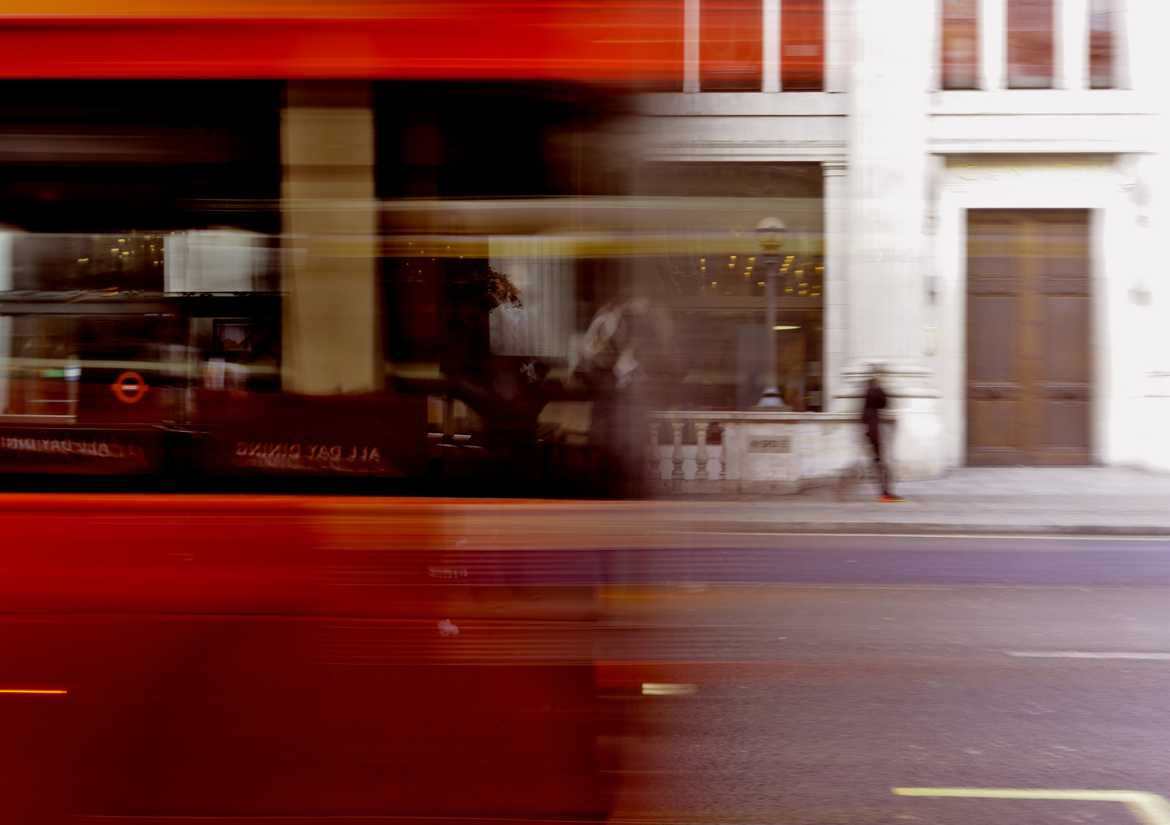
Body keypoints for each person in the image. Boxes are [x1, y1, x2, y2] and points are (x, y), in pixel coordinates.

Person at [862, 366, 902, 502]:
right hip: (875, 432)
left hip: (872, 431)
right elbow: (884, 402)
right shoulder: (875, 391)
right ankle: (886, 493)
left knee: (880, 463)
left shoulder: (868, 393)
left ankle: (886, 492)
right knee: (883, 463)